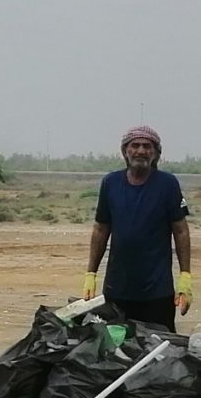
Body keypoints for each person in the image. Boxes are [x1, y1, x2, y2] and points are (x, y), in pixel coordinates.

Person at [82, 125, 192, 327]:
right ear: (125, 151)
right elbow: (101, 229)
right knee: (118, 341)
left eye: (147, 146)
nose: (141, 151)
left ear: (156, 153)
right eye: (135, 145)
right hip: (117, 287)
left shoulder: (168, 184)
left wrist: (185, 277)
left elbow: (181, 230)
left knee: (159, 342)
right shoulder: (110, 183)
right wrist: (91, 274)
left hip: (157, 289)